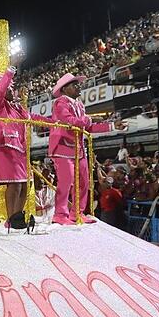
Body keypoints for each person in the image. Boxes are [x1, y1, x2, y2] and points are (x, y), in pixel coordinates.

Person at [0, 61, 49, 231]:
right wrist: (9, 73)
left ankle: (17, 216)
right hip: (1, 147)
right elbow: (1, 89)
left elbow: (33, 118)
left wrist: (54, 122)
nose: (12, 91)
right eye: (9, 89)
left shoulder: (17, 109)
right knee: (15, 183)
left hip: (17, 148)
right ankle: (12, 218)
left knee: (26, 183)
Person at [48, 72, 125, 225]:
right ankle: (60, 214)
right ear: (64, 89)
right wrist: (90, 119)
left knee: (84, 182)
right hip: (63, 148)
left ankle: (77, 213)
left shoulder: (79, 105)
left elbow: (88, 128)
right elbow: (69, 121)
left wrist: (112, 126)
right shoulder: (60, 102)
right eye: (74, 85)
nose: (79, 87)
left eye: (78, 84)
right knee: (66, 181)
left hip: (78, 149)